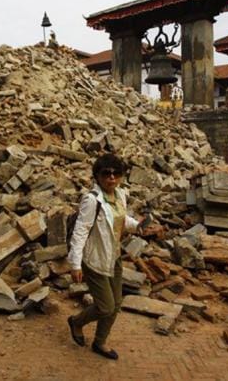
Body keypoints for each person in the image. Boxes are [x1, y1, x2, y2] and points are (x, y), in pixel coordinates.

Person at [67, 153, 140, 360]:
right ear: (97, 176)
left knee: (116, 305)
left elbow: (121, 219)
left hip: (113, 256)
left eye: (116, 173)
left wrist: (138, 226)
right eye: (106, 173)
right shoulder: (91, 200)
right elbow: (81, 231)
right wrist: (75, 264)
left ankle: (100, 342)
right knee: (106, 306)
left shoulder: (120, 195)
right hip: (95, 259)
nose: (111, 178)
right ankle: (77, 322)